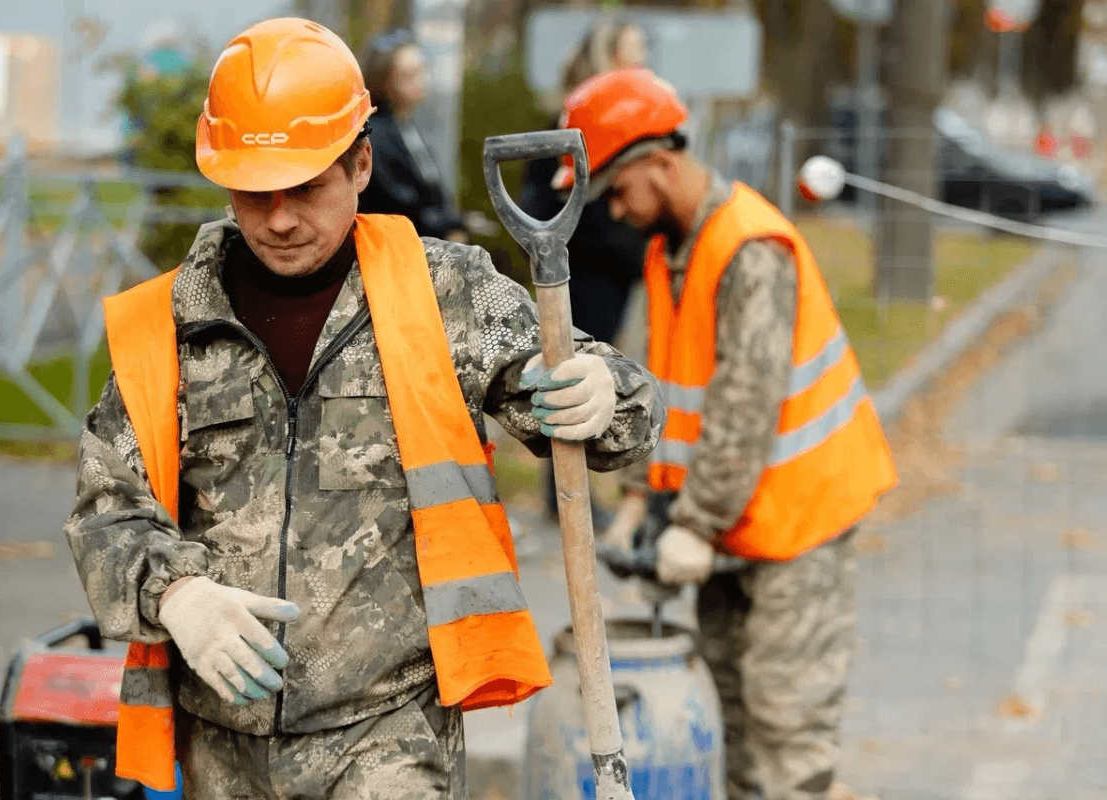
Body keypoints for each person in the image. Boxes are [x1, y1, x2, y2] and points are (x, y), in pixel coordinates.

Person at [64, 19, 663, 800]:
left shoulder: (442, 291)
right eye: (255, 191)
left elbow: (618, 412)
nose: (278, 218)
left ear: (361, 165)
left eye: (306, 187)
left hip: (389, 733)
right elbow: (107, 511)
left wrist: (603, 395)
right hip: (222, 741)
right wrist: (175, 594)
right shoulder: (169, 324)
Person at [556, 68, 899, 800]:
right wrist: (644, 499)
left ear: (659, 162)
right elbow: (662, 387)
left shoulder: (750, 249)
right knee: (738, 738)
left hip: (798, 525)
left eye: (618, 189)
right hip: (730, 529)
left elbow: (746, 406)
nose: (615, 210)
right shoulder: (668, 252)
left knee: (787, 743)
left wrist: (697, 523)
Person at [520, 21, 652, 523]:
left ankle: (573, 492)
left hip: (612, 267)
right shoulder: (582, 112)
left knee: (592, 373)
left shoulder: (616, 110)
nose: (642, 59)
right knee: (574, 375)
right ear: (611, 52)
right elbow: (559, 194)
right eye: (635, 48)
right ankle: (567, 493)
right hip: (584, 268)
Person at [356, 28, 491, 243]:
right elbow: (398, 205)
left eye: (422, 70)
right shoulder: (376, 134)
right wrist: (448, 226)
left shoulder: (406, 127)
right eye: (409, 74)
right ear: (384, 80)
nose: (422, 80)